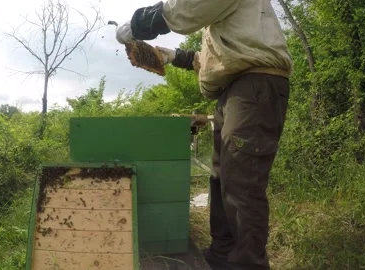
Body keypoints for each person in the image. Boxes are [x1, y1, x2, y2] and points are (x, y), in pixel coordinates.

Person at [115, 1, 293, 269]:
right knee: (221, 179)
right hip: (233, 90)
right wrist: (174, 56)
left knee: (240, 182)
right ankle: (222, 255)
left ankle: (247, 264)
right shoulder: (233, 25)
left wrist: (139, 23)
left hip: (254, 85)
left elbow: (185, 8)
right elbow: (216, 60)